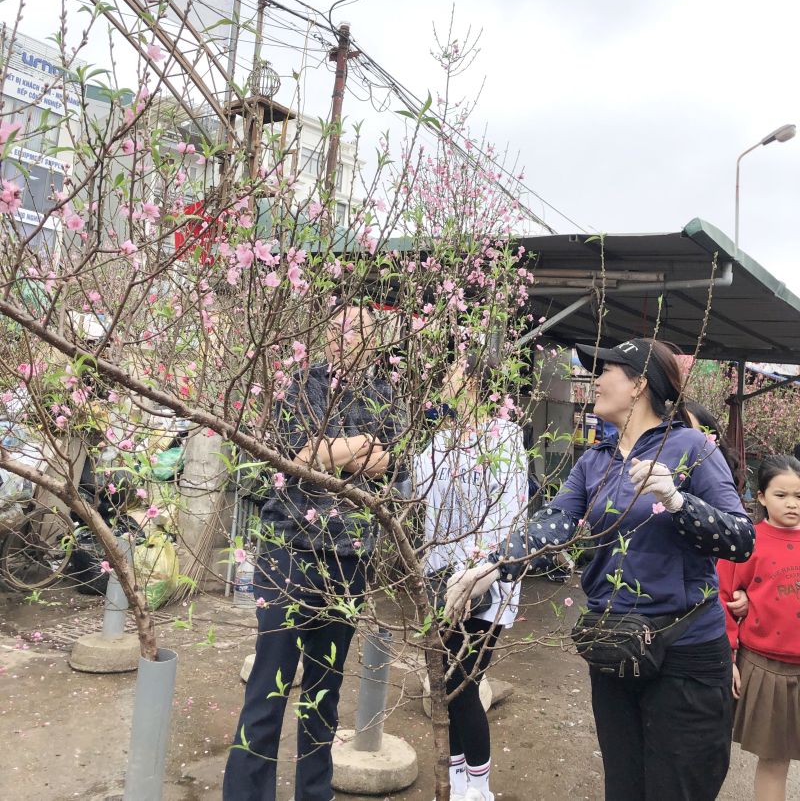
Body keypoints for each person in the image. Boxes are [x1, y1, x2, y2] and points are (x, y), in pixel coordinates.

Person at [445, 338, 756, 801]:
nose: (595, 380)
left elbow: (741, 538)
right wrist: (493, 566)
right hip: (614, 645)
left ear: (638, 385)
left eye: (606, 370)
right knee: (624, 788)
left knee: (677, 789)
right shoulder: (595, 460)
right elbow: (553, 522)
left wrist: (677, 500)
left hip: (685, 654)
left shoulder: (692, 447)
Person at [223, 303, 402, 801]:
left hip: (348, 560)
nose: (349, 339)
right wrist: (361, 446)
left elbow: (395, 468)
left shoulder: (387, 396)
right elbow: (291, 455)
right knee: (268, 687)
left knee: (324, 695)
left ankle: (313, 794)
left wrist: (331, 450)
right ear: (327, 335)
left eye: (360, 332)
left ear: (374, 343)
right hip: (288, 554)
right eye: (341, 328)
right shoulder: (300, 387)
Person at [413, 353, 528, 801]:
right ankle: (459, 780)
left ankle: (477, 788)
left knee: (464, 683)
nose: (444, 383)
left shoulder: (505, 436)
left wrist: (480, 569)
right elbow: (418, 493)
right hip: (440, 579)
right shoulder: (438, 440)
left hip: (485, 581)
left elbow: (509, 512)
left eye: (454, 375)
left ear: (479, 385)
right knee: (449, 682)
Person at [718, 454, 800, 801]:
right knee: (774, 759)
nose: (792, 504)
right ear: (762, 497)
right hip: (767, 667)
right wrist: (729, 653)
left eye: (799, 495)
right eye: (781, 495)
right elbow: (722, 595)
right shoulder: (747, 541)